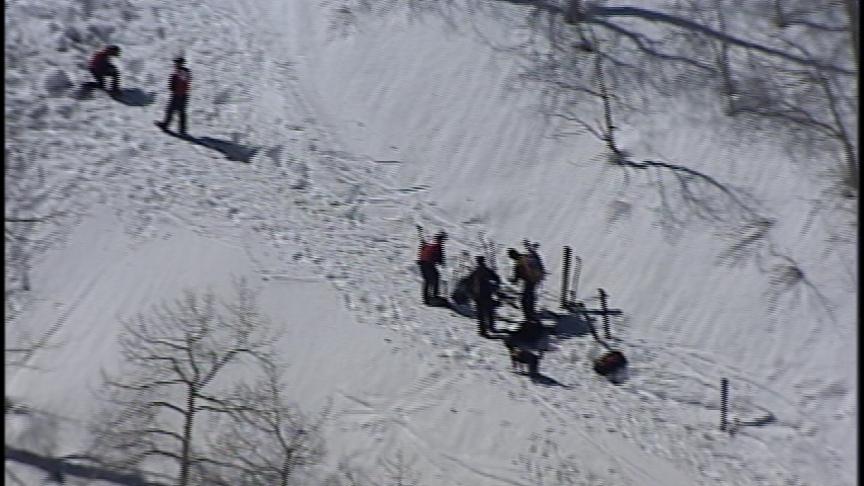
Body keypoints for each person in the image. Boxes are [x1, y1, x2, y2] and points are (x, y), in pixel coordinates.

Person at [156, 57, 191, 135]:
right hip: (180, 94)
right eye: (175, 63)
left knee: (173, 110)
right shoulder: (181, 71)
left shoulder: (183, 72)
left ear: (181, 63)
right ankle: (181, 129)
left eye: (177, 63)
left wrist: (177, 93)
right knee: (179, 111)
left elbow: (182, 83)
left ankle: (167, 126)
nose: (175, 64)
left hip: (179, 95)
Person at [468, 256, 501, 337]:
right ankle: (491, 327)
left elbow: (469, 283)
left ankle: (482, 331)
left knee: (481, 314)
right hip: (487, 294)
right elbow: (497, 279)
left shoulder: (475, 272)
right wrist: (494, 288)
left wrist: (471, 294)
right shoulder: (487, 270)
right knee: (489, 311)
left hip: (478, 295)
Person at [508, 247, 541, 321]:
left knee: (524, 300)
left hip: (529, 281)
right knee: (530, 296)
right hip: (534, 279)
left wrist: (512, 281)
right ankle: (531, 313)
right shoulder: (525, 257)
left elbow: (517, 277)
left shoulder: (518, 263)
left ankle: (528, 316)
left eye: (511, 257)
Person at [417, 231, 447, 305]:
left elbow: (423, 249)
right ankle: (434, 296)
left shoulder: (430, 244)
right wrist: (442, 262)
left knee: (428, 280)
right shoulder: (438, 246)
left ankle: (427, 298)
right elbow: (440, 257)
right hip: (428, 264)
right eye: (442, 240)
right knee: (435, 277)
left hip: (422, 263)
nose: (443, 241)